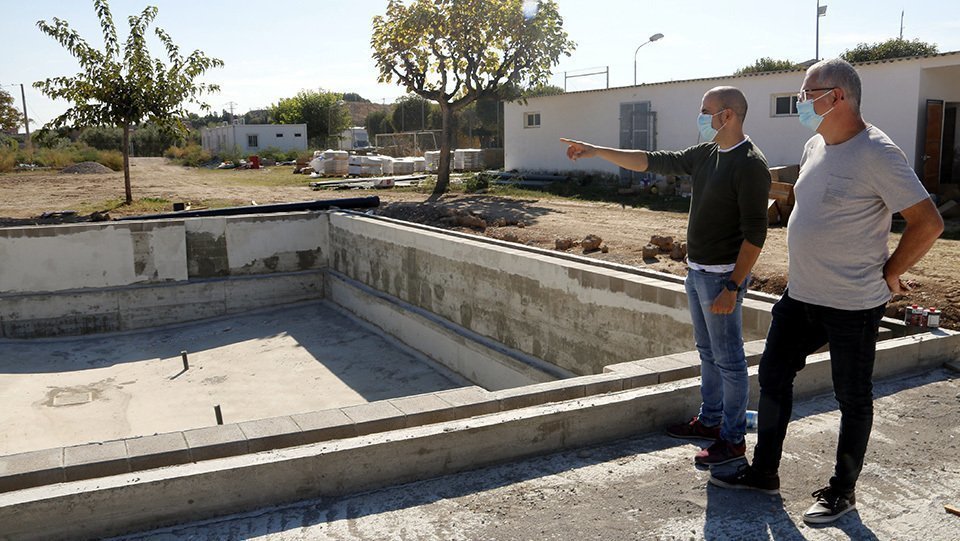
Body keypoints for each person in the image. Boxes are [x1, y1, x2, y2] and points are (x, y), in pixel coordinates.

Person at [709, 59, 945, 524]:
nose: (800, 102)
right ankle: (764, 472)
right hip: (801, 297)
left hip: (853, 304)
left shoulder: (878, 152)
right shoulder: (815, 142)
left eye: (805, 93)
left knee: (852, 398)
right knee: (774, 378)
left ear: (835, 96)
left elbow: (929, 222)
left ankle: (842, 491)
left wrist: (891, 271)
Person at [562, 86, 771, 467]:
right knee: (707, 353)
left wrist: (733, 285)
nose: (700, 116)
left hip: (721, 278)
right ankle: (710, 422)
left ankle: (733, 438)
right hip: (697, 274)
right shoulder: (707, 154)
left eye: (706, 110)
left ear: (728, 116)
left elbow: (756, 235)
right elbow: (650, 160)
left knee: (730, 360)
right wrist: (595, 150)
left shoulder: (750, 164)